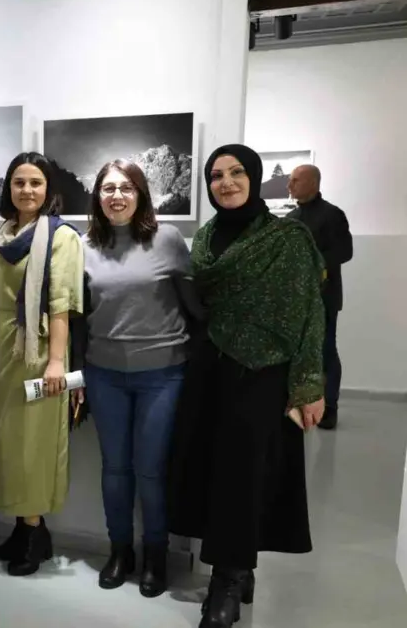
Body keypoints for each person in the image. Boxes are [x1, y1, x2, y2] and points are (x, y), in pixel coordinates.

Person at [168, 144, 325, 628]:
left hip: (261, 373)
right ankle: (239, 564)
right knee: (214, 472)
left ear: (254, 178)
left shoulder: (287, 238)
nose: (226, 183)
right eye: (216, 176)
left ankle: (227, 582)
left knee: (243, 475)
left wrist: (308, 385)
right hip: (210, 370)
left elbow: (309, 314)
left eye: (237, 173)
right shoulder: (207, 237)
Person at [81, 159, 201, 596]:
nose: (117, 196)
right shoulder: (84, 244)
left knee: (150, 471)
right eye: (108, 188)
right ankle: (120, 550)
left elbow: (195, 306)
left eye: (126, 188)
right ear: (97, 196)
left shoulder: (167, 239)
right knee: (115, 469)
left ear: (141, 194)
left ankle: (155, 554)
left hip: (163, 375)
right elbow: (76, 314)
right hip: (104, 374)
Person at [0, 151, 85, 577]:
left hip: (42, 348)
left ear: (48, 190)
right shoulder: (3, 235)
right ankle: (23, 527)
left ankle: (35, 533)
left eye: (35, 183)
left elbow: (61, 304)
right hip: (6, 347)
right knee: (9, 442)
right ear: (9, 188)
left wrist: (56, 364)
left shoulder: (62, 237)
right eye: (19, 182)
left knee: (35, 445)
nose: (27, 190)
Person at [288, 164, 352, 430]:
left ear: (313, 182)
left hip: (324, 298)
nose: (289, 185)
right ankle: (300, 403)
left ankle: (331, 408)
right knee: (295, 352)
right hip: (295, 299)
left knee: (325, 350)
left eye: (295, 180)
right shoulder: (291, 218)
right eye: (289, 180)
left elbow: (345, 252)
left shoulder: (333, 215)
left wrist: (314, 266)